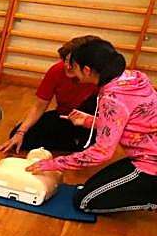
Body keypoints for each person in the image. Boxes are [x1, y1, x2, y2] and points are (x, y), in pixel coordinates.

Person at [28, 38, 157, 214]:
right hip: (146, 155)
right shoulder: (131, 79)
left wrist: (54, 164)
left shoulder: (112, 98)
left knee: (84, 202)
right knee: (88, 188)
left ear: (87, 70)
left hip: (150, 164)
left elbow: (102, 152)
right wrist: (89, 121)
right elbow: (126, 124)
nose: (71, 71)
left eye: (74, 67)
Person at [0, 35, 100, 155]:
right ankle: (74, 143)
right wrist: (20, 133)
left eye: (73, 63)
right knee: (21, 138)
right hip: (65, 116)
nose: (68, 66)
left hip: (93, 121)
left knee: (87, 146)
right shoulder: (57, 71)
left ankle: (77, 144)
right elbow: (39, 106)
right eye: (66, 60)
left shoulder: (101, 79)